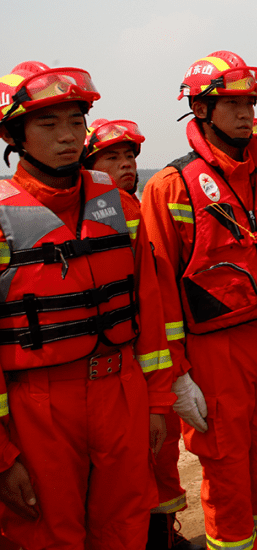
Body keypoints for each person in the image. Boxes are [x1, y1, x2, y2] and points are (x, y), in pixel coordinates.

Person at [142, 51, 257, 550]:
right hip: (214, 356)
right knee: (227, 472)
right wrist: (175, 377)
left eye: (250, 102)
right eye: (232, 103)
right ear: (200, 109)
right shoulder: (171, 187)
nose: (246, 113)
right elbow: (159, 295)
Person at [0, 62, 173, 549]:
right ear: (15, 133)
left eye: (76, 122)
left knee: (125, 526)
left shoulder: (118, 206)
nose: (67, 136)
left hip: (120, 390)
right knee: (49, 535)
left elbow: (149, 308)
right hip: (38, 404)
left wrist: (158, 400)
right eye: (48, 124)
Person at [83, 119, 199, 550]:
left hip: (151, 360)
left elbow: (159, 292)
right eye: (112, 157)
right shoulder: (93, 213)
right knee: (126, 468)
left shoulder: (133, 208)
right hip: (113, 364)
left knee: (162, 454)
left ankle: (163, 534)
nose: (126, 164)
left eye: (129, 156)